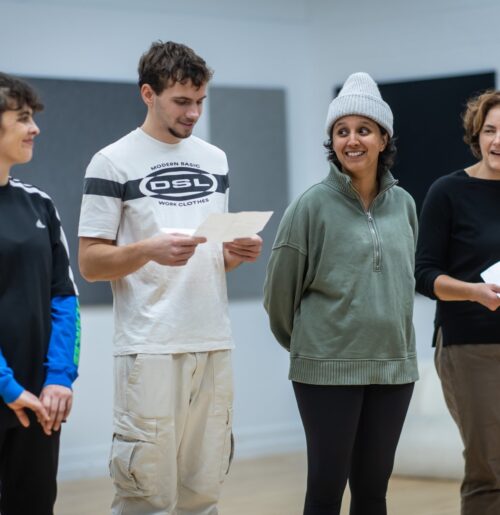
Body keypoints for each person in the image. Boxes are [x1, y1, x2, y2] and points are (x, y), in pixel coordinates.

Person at [78, 40, 262, 515]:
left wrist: (233, 254)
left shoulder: (215, 159)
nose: (193, 112)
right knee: (146, 497)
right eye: (182, 101)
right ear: (148, 94)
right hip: (149, 348)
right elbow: (91, 263)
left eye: (200, 101)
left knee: (204, 495)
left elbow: (210, 259)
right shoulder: (111, 161)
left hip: (213, 341)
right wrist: (147, 250)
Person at [264, 72, 418, 515]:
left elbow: (404, 284)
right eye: (342, 131)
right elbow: (278, 296)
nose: (352, 140)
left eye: (364, 130)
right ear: (332, 141)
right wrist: (314, 347)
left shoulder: (405, 205)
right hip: (326, 371)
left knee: (373, 492)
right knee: (325, 491)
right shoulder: (310, 206)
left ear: (383, 139)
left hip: (393, 369)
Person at [415, 89, 500, 514]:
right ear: (476, 135)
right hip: (470, 345)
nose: (497, 141)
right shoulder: (448, 191)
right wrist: (474, 292)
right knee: (490, 469)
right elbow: (424, 275)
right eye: (490, 130)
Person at [0, 72, 80, 515]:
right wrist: (6, 385)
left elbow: (64, 298)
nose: (35, 129)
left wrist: (58, 378)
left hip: (37, 404)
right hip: (11, 392)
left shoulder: (40, 205)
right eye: (23, 118)